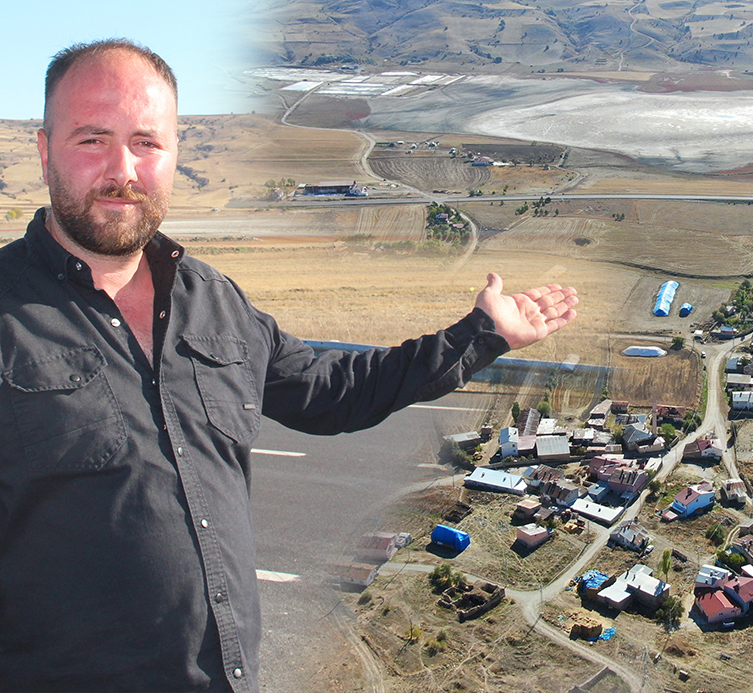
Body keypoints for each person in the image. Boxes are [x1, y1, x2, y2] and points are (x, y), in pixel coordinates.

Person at [0, 39, 578, 692]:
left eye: (145, 142)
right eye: (91, 140)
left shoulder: (211, 301)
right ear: (45, 151)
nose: (121, 168)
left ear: (174, 154)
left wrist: (482, 335)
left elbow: (336, 390)